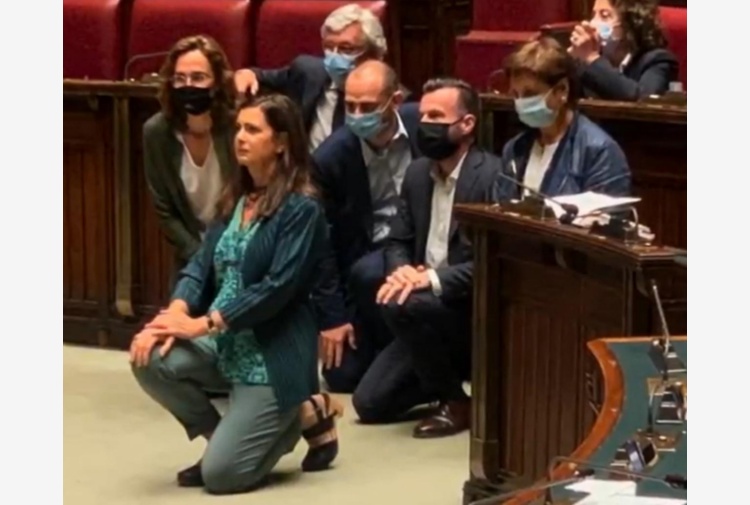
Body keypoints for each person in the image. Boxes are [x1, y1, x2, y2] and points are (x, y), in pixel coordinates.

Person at [129, 94, 342, 494]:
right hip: (225, 343)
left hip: (272, 353)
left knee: (223, 478)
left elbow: (277, 287)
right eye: (239, 128)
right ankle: (220, 437)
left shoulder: (302, 208)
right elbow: (199, 265)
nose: (240, 137)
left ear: (281, 142)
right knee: (150, 357)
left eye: (253, 130)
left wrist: (203, 324)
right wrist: (173, 315)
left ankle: (304, 412)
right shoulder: (236, 198)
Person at [352, 78, 500, 436]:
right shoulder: (418, 173)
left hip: (470, 309)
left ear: (467, 124)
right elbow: (397, 241)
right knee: (369, 404)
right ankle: (447, 374)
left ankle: (455, 401)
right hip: (422, 305)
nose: (425, 125)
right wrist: (402, 272)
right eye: (422, 116)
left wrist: (430, 279)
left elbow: (494, 264)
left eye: (436, 116)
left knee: (401, 305)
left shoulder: (493, 175)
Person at [312, 60, 421, 393]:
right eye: (350, 106)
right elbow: (321, 245)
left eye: (368, 107)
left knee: (372, 272)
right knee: (342, 376)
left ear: (395, 101)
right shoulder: (329, 158)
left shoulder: (423, 126)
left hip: (419, 251)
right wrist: (333, 319)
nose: (357, 115)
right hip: (362, 270)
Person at [491, 38, 631, 202]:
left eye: (530, 94)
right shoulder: (515, 148)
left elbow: (607, 216)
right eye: (515, 95)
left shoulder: (599, 152)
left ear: (562, 90)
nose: (521, 102)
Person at [143, 35, 238, 275]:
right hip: (190, 257)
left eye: (198, 78)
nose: (188, 86)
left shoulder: (237, 125)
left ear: (217, 83)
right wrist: (200, 258)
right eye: (180, 78)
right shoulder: (157, 133)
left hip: (238, 252)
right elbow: (165, 210)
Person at [234, 4, 388, 151]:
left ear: (375, 54)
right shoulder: (308, 73)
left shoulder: (388, 99)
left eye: (346, 49)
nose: (334, 57)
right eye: (329, 47)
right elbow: (259, 77)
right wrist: (246, 74)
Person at [569, 0, 678, 101]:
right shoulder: (588, 58)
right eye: (593, 15)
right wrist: (569, 62)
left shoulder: (658, 60)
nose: (593, 23)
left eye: (605, 15)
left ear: (630, 22)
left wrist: (592, 58)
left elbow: (643, 101)